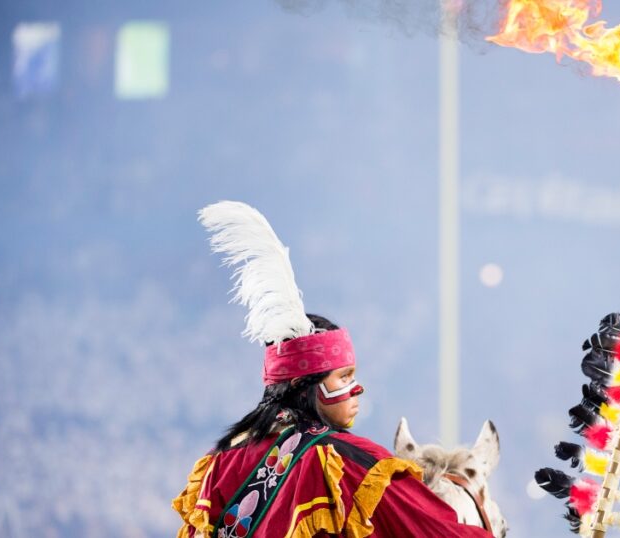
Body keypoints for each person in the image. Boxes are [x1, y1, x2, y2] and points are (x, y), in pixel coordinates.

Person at [173, 201, 492, 538]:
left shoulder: (222, 462)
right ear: (301, 383)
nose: (357, 388)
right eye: (344, 377)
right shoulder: (347, 462)